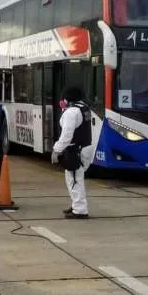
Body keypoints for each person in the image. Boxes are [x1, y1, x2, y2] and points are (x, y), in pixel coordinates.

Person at [51, 87, 92, 219]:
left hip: (75, 150)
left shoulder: (71, 112)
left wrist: (56, 150)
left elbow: (66, 135)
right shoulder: (84, 107)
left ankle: (80, 210)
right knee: (75, 178)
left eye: (64, 98)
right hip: (85, 148)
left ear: (68, 98)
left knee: (74, 180)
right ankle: (76, 204)